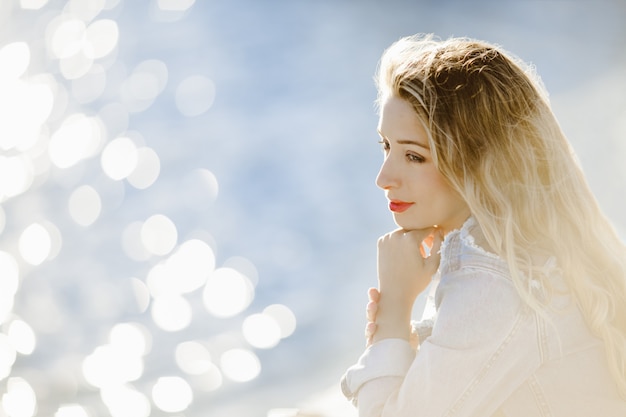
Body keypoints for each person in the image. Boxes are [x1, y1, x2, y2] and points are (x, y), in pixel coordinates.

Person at [340, 34, 626, 417]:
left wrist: (393, 311)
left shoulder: (494, 281)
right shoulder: (524, 253)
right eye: (386, 147)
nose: (384, 177)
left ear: (477, 161)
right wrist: (410, 340)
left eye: (414, 156)